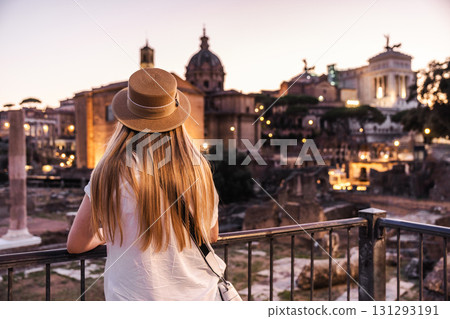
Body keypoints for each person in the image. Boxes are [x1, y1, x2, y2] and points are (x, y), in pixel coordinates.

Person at [67, 68, 226, 300]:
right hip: (201, 298)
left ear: (126, 119)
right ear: (176, 117)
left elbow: (76, 244)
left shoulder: (109, 171)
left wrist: (108, 232)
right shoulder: (200, 168)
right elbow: (211, 235)